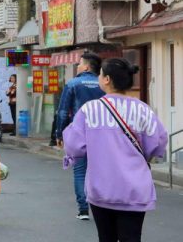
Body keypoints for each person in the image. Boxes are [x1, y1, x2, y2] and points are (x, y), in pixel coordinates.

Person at [63, 58, 167, 242]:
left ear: (107, 79)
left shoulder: (89, 110)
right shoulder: (143, 109)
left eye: (100, 74)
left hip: (102, 188)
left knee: (106, 237)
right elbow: (158, 142)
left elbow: (74, 145)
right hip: (135, 189)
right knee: (132, 237)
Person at [56, 52, 106, 220]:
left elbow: (63, 112)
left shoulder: (73, 84)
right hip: (102, 134)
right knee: (99, 171)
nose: (77, 66)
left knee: (79, 172)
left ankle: (83, 210)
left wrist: (59, 133)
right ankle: (101, 207)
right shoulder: (104, 84)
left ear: (86, 66)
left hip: (80, 133)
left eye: (79, 63)